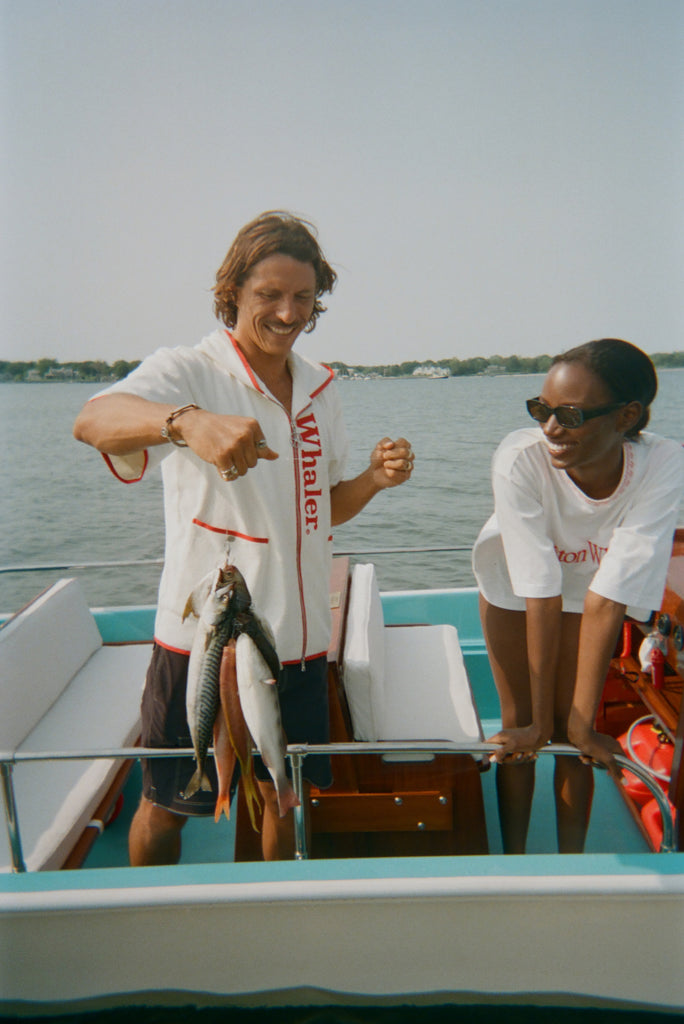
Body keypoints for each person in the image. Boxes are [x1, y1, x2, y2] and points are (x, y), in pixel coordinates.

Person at [73, 210, 415, 864]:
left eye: (303, 297)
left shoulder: (320, 388)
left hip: (300, 646)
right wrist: (185, 422)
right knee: (169, 804)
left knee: (282, 800)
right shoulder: (190, 371)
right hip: (206, 650)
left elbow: (320, 512)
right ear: (233, 292)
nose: (288, 312)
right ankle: (155, 926)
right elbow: (94, 420)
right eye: (269, 295)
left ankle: (269, 936)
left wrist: (371, 479)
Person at [472, 338, 684, 854]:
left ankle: (573, 864)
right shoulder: (519, 459)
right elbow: (538, 589)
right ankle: (516, 861)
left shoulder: (663, 463)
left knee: (577, 739)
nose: (549, 429)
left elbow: (610, 593)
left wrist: (577, 725)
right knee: (522, 730)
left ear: (626, 416)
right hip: (513, 585)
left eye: (569, 415)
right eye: (541, 410)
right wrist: (538, 724)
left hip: (592, 584)